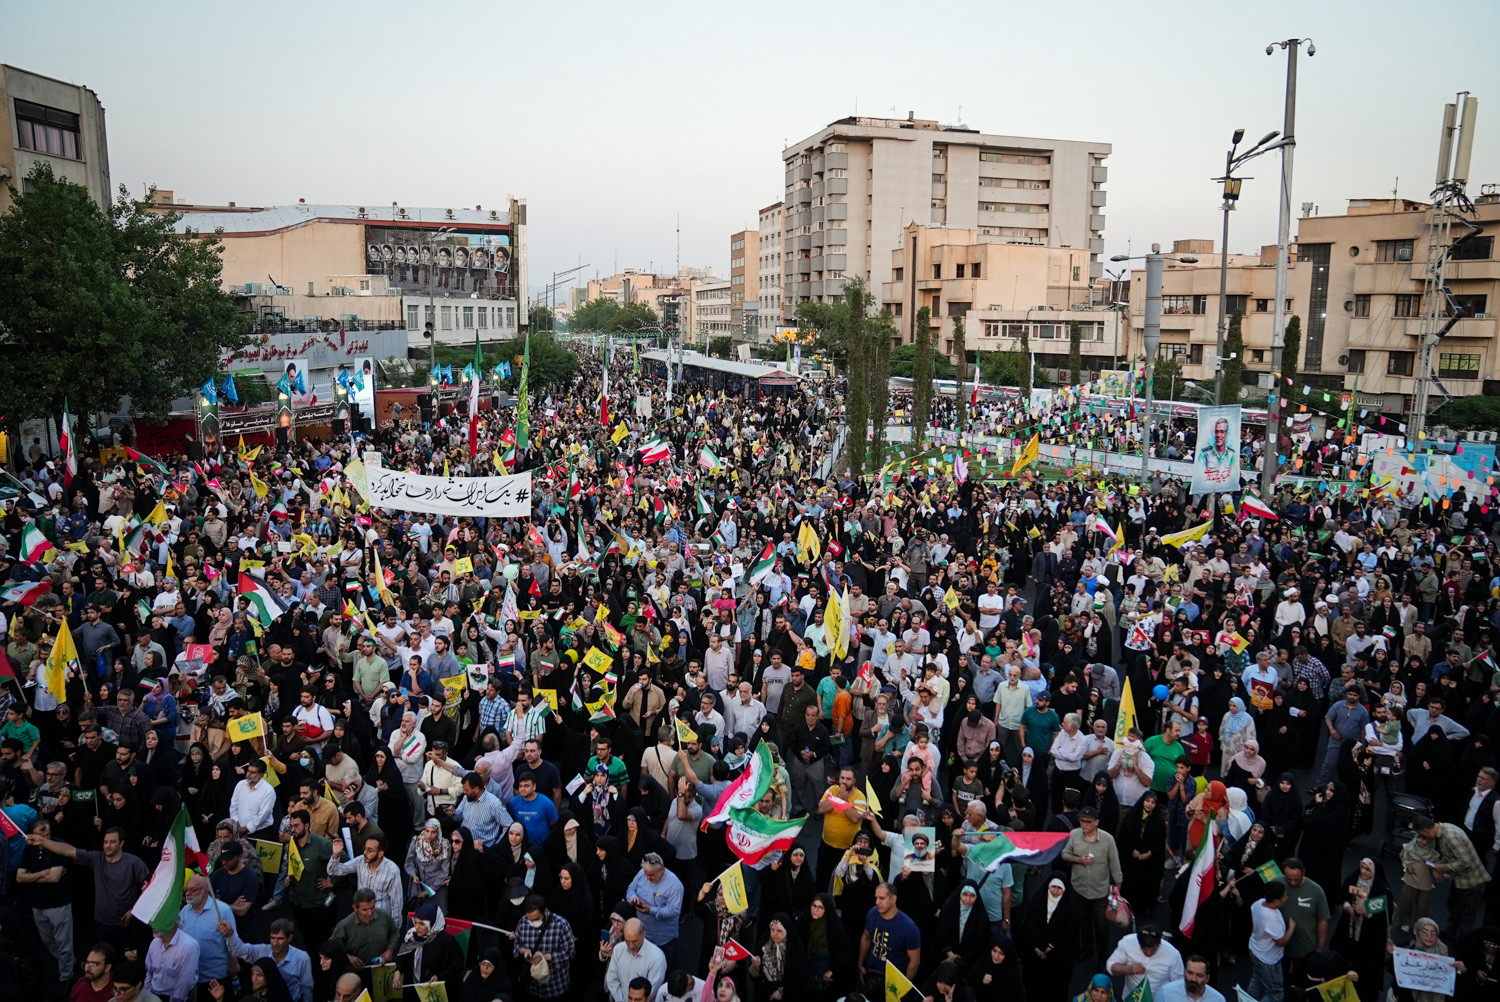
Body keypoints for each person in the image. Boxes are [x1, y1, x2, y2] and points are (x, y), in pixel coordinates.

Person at [857, 882, 920, 994]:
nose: (877, 902)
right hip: (870, 973)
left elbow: (914, 961)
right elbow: (866, 937)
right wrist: (860, 964)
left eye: (882, 898)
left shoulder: (909, 927)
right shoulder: (872, 914)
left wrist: (903, 987)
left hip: (893, 981)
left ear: (893, 899)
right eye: (876, 898)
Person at [626, 853, 684, 967]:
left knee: (665, 968)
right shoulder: (642, 874)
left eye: (652, 875)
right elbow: (631, 889)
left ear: (661, 870)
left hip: (663, 939)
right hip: (642, 936)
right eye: (646, 874)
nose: (648, 878)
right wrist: (633, 898)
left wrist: (651, 910)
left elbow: (675, 910)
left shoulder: (675, 885)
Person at [1104, 925, 1184, 999]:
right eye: (1144, 949)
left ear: (1159, 944)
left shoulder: (1173, 954)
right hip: (1132, 998)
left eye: (1153, 949)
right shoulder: (1127, 942)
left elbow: (1179, 983)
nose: (1148, 953)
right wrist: (1129, 969)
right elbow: (1110, 966)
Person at [1248, 881, 1295, 1002]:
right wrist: (1292, 928)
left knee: (1257, 981)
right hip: (1268, 959)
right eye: (1284, 896)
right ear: (1276, 901)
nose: (1286, 897)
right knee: (1276, 993)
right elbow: (1281, 942)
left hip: (1255, 949)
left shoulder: (1258, 903)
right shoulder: (1271, 918)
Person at [605, 917, 664, 1002]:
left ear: (643, 934)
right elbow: (612, 980)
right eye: (627, 941)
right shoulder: (618, 949)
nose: (631, 945)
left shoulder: (657, 957)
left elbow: (651, 990)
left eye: (634, 941)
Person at [143, 922, 200, 1002]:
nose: (153, 926)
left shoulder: (189, 947)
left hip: (179, 998)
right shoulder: (154, 943)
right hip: (155, 996)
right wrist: (149, 996)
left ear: (173, 923)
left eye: (159, 921)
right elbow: (149, 972)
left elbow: (184, 982)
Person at [1155, 955, 1226, 1002]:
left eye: (1199, 975)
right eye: (1190, 973)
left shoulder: (1218, 999)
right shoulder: (1166, 993)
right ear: (1184, 972)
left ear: (1207, 978)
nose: (1193, 979)